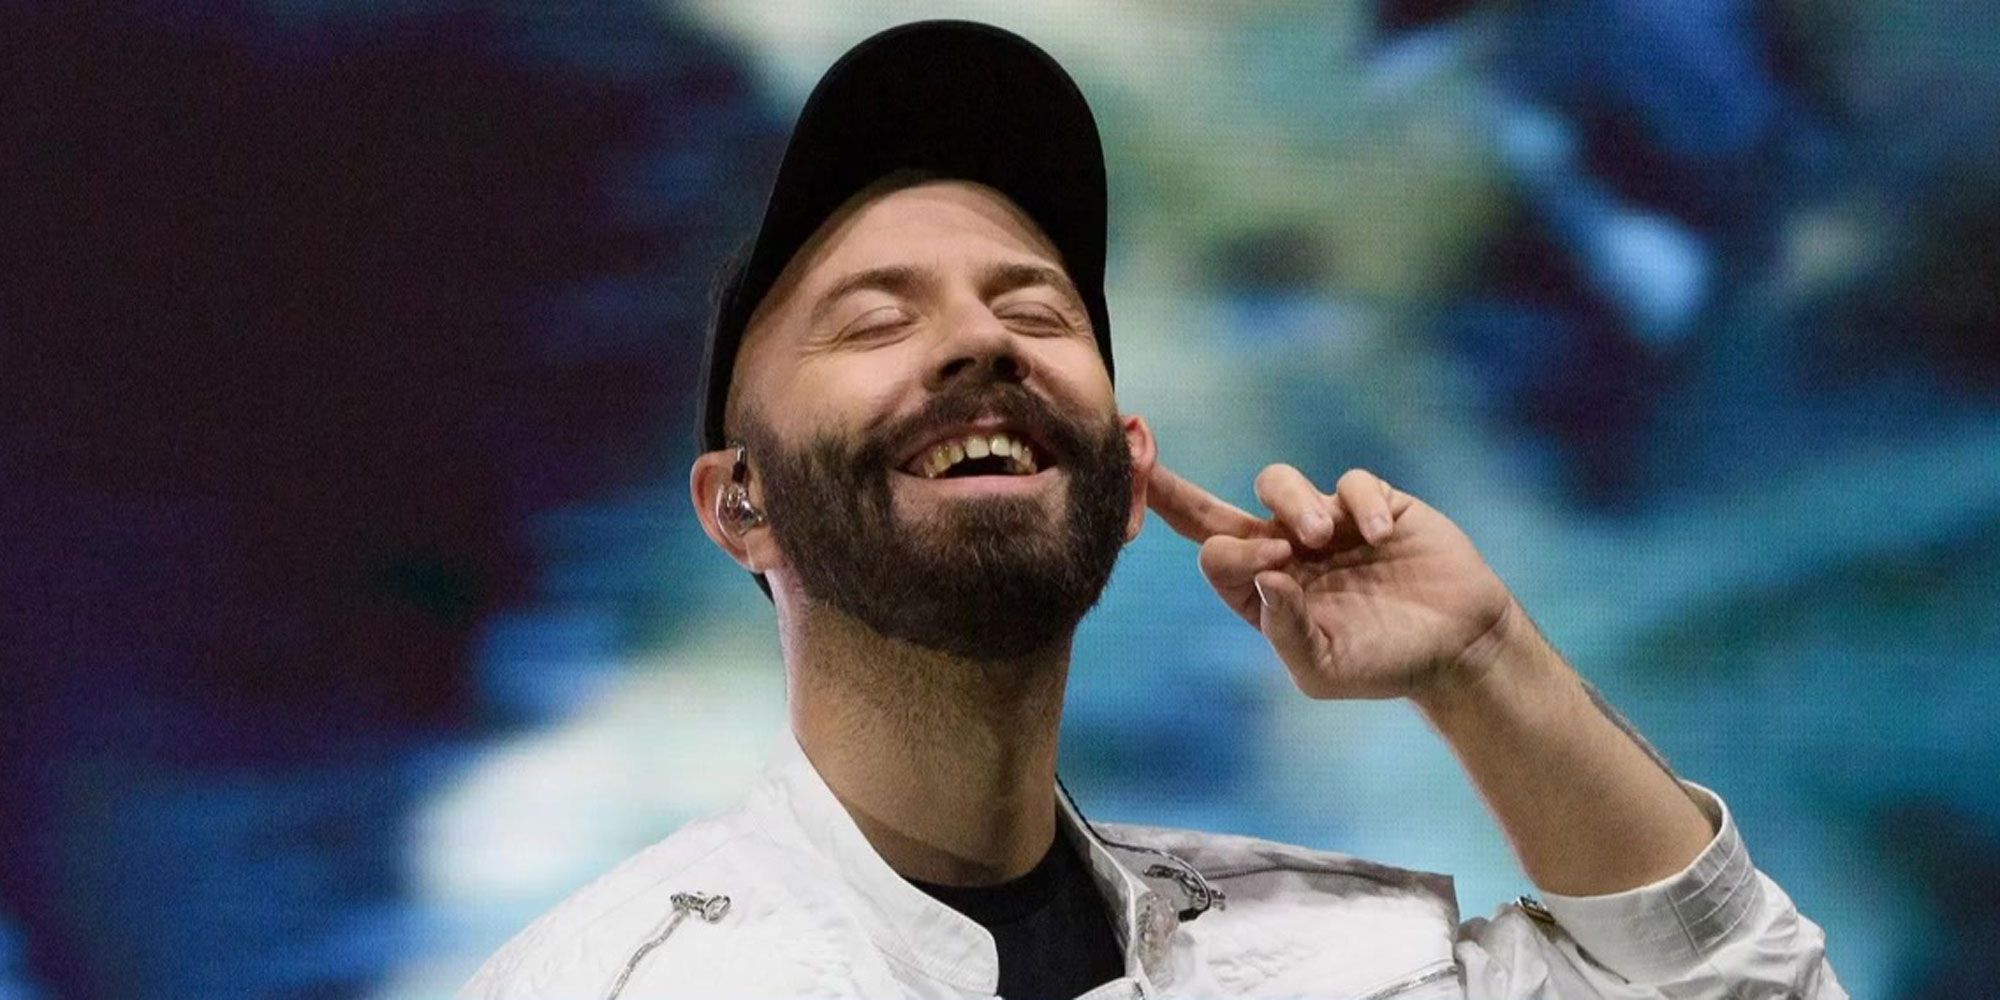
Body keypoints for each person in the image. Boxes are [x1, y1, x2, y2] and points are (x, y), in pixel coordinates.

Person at [462, 20, 1843, 999]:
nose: (980, 341)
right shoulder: (608, 976)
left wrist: (1486, 665)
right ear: (739, 502)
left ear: (1128, 478)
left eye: (1035, 311)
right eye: (876, 319)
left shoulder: (1336, 957)